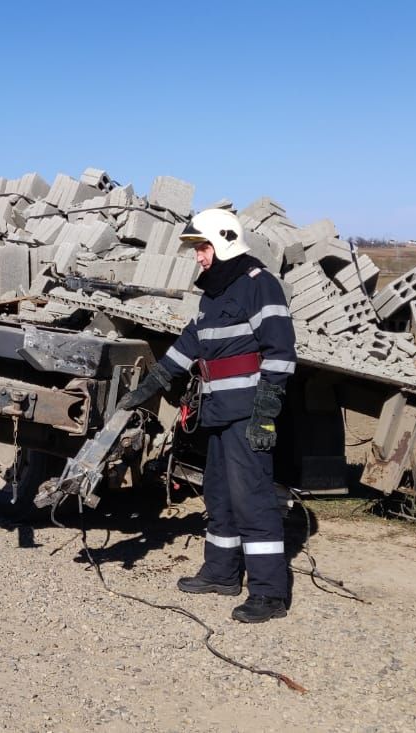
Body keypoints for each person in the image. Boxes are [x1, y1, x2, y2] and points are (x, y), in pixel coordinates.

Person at [118, 208, 296, 623]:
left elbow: (281, 352)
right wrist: (150, 386)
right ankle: (221, 573)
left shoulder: (260, 285)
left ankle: (269, 594)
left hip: (248, 414)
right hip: (217, 411)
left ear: (225, 242)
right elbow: (189, 345)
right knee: (219, 494)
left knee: (252, 499)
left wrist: (265, 413)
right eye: (197, 248)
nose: (198, 256)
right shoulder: (213, 294)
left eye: (203, 247)